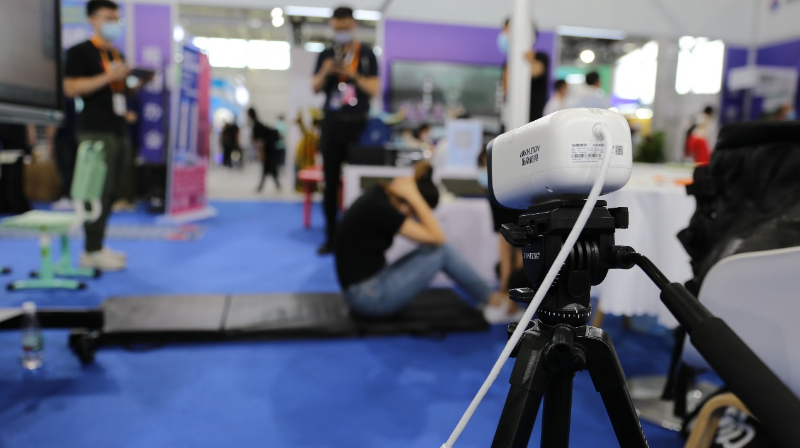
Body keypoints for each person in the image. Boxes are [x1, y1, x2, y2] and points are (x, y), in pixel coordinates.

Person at [335, 163, 501, 317]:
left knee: (434, 249)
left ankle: (490, 298)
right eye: (415, 214)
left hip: (366, 286)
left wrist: (412, 195)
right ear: (409, 204)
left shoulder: (378, 196)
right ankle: (494, 301)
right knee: (442, 251)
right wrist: (414, 197)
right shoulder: (381, 208)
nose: (413, 218)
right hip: (368, 297)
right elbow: (438, 238)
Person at [64, 0, 150, 271]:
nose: (114, 23)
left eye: (117, 18)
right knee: (95, 191)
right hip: (94, 129)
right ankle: (90, 250)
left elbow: (118, 92)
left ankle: (98, 245)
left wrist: (137, 82)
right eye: (108, 17)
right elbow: (71, 88)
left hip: (118, 129)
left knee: (112, 191)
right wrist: (108, 76)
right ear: (92, 19)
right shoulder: (80, 52)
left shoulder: (116, 54)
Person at [312, 6, 379, 255]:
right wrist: (325, 70)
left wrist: (353, 74)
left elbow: (374, 89)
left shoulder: (367, 54)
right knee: (330, 184)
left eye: (345, 28)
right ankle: (331, 237)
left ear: (354, 25)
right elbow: (314, 87)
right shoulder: (326, 54)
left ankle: (358, 237)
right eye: (337, 28)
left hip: (358, 126)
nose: (341, 32)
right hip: (332, 124)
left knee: (360, 182)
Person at [498, 19, 550, 123]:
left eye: (508, 32)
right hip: (509, 118)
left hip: (531, 121)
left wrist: (529, 58)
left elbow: (536, 72)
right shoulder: (508, 61)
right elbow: (506, 88)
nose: (505, 35)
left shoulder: (540, 57)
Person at [248, 108, 280, 192]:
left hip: (268, 148)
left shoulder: (256, 125)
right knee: (269, 167)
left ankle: (262, 186)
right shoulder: (258, 124)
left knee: (268, 166)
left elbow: (260, 141)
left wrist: (261, 153)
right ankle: (275, 185)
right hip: (269, 148)